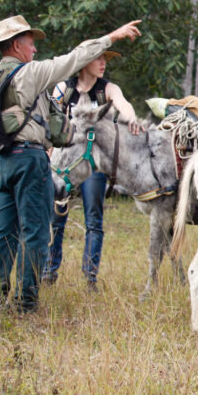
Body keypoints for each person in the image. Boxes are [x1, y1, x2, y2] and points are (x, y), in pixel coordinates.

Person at [0, 15, 142, 314]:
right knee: (36, 232)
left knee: (2, 233)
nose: (35, 51)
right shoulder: (30, 73)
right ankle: (26, 303)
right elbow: (74, 59)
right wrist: (111, 37)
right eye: (31, 44)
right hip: (29, 160)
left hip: (1, 164)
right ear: (16, 45)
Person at [42, 50, 144, 289]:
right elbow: (49, 117)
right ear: (84, 63)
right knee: (56, 216)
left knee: (94, 220)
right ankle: (49, 272)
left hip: (92, 162)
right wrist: (47, 149)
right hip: (66, 159)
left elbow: (123, 104)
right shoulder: (63, 89)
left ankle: (90, 277)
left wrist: (132, 119)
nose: (103, 64)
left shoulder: (107, 89)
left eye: (105, 60)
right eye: (98, 59)